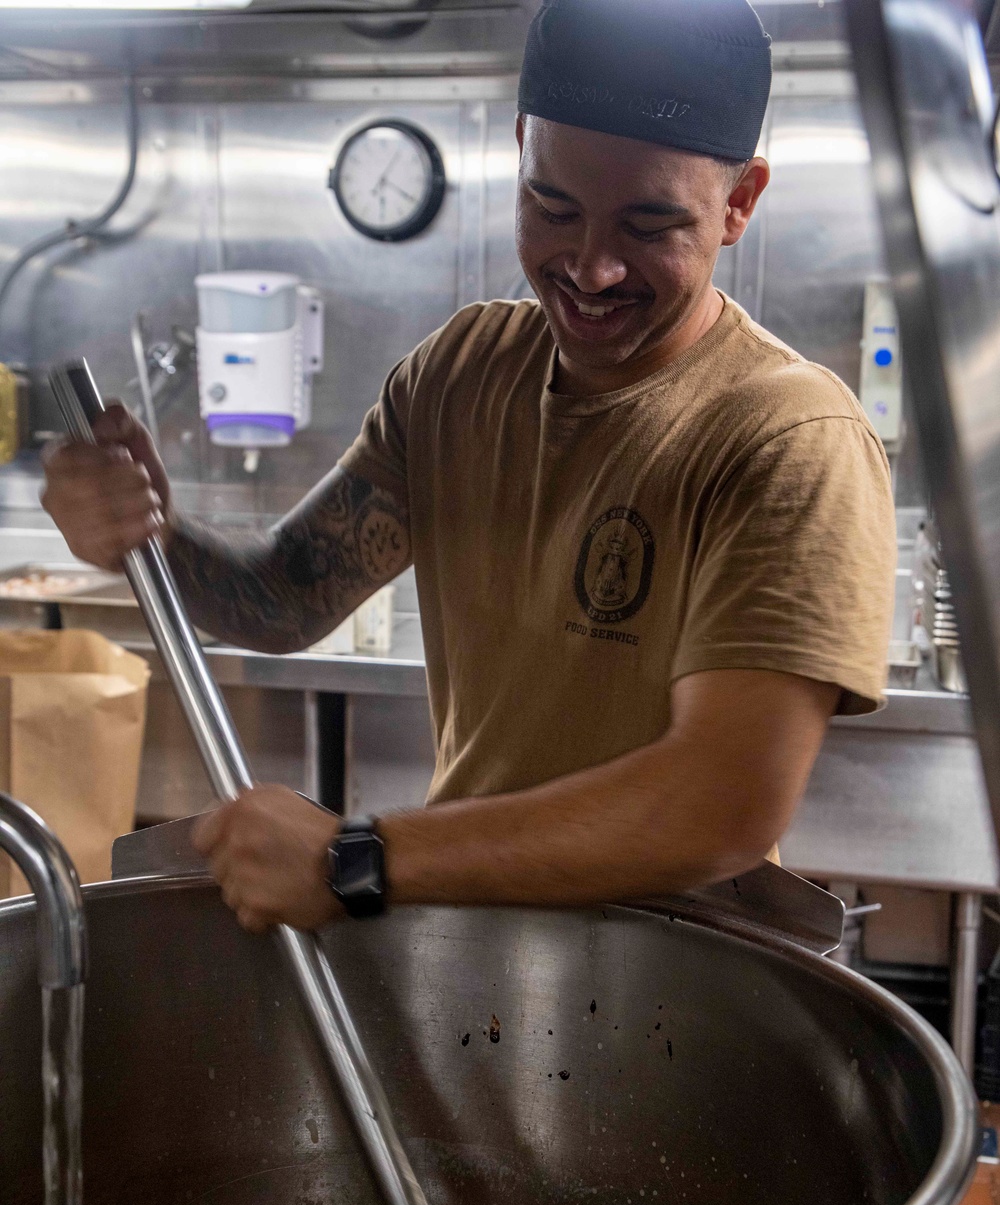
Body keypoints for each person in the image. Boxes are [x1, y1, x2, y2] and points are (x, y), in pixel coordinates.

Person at [41, 0, 895, 934]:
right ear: (523, 147)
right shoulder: (462, 374)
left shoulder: (787, 437)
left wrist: (355, 860)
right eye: (552, 206)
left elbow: (719, 801)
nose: (591, 266)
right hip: (469, 958)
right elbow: (284, 596)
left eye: (650, 226)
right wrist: (142, 534)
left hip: (681, 994)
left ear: (740, 203)